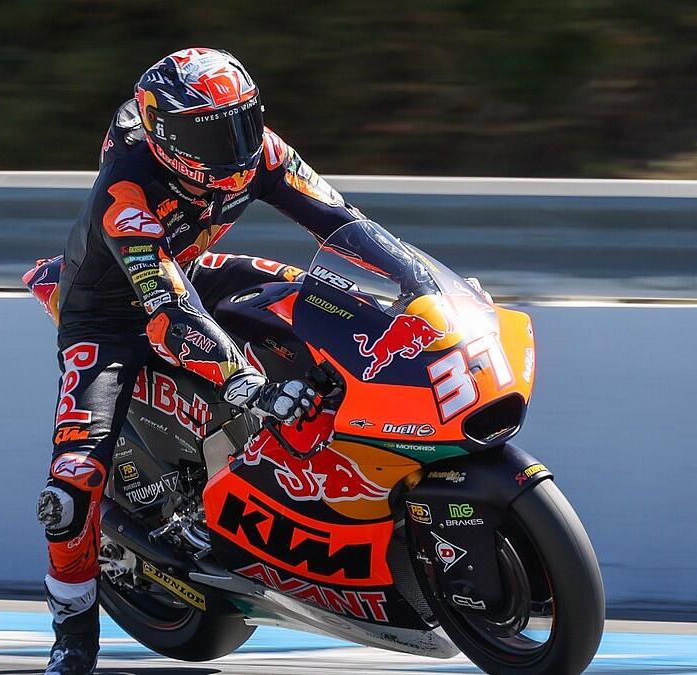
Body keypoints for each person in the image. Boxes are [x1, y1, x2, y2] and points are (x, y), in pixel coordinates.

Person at [36, 47, 416, 675]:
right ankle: (72, 642)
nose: (233, 143)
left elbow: (342, 222)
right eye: (209, 130)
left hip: (187, 273)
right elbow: (167, 312)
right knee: (71, 486)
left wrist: (418, 283)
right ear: (164, 135)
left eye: (241, 120)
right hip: (109, 317)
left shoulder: (257, 152)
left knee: (316, 300)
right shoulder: (127, 190)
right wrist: (247, 380)